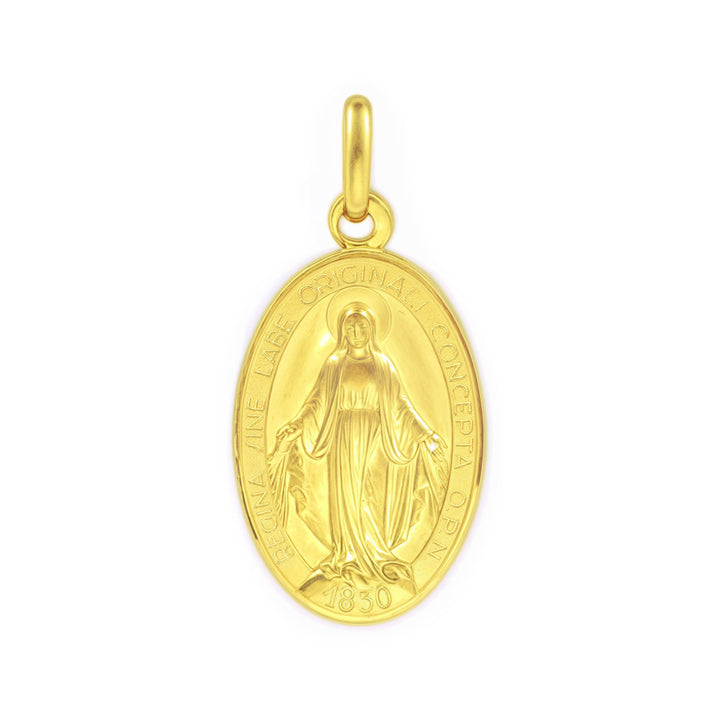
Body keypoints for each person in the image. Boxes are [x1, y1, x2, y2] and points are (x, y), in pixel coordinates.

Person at [272, 301, 447, 590]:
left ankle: (376, 554)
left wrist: (424, 433)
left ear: (371, 329)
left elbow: (401, 406)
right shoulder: (334, 364)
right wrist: (298, 423)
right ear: (342, 331)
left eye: (361, 326)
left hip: (378, 437)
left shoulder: (383, 365)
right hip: (342, 438)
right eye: (350, 327)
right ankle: (348, 555)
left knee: (369, 494)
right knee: (348, 496)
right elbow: (316, 403)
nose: (356, 332)